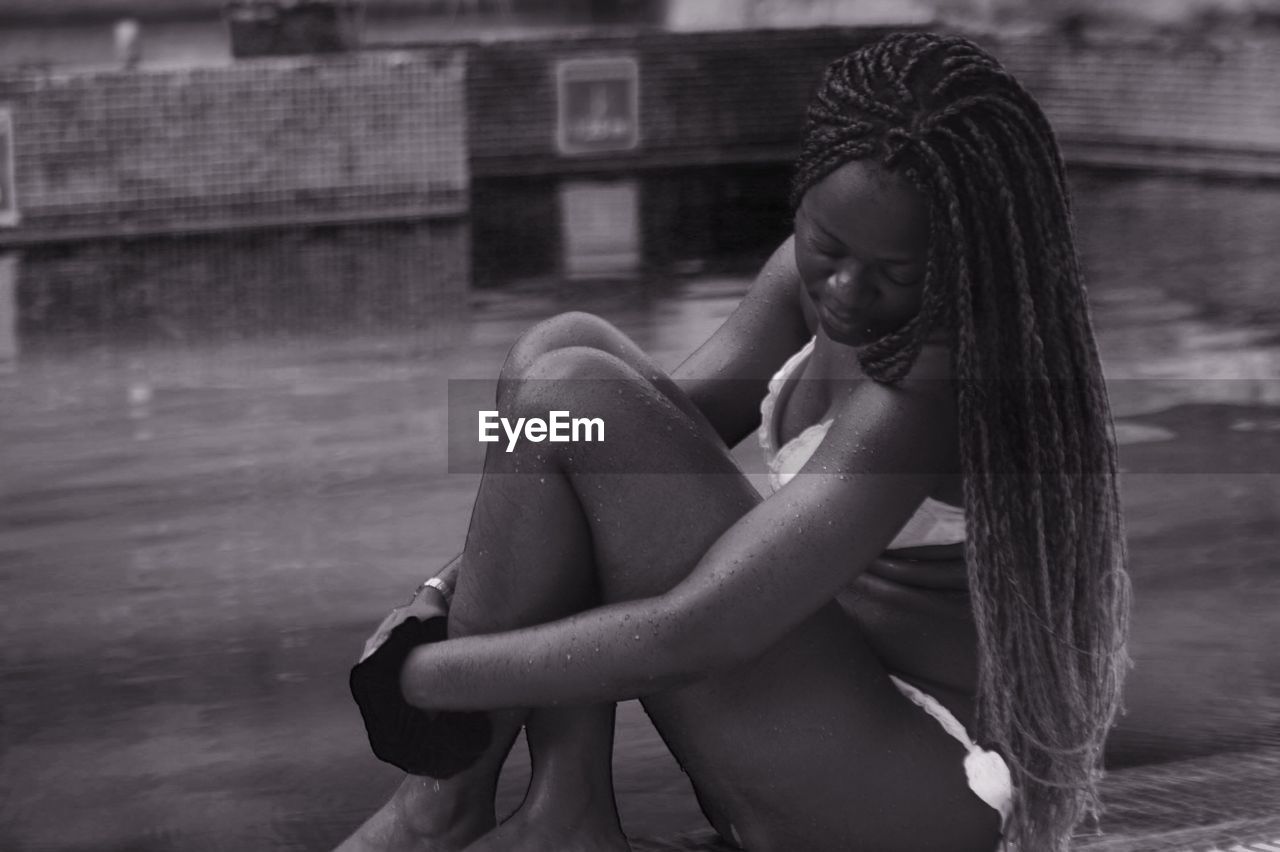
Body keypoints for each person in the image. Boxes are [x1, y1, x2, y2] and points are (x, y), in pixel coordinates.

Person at [335, 31, 1131, 852]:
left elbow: (696, 633)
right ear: (803, 196)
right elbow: (587, 457)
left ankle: (469, 816)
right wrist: (441, 591)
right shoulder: (804, 279)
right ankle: (546, 809)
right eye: (828, 247)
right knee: (558, 354)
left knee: (577, 392)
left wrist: (431, 674)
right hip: (815, 702)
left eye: (898, 273)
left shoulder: (930, 390)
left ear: (966, 260)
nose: (848, 291)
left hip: (922, 782)